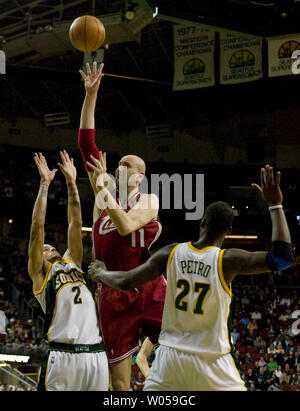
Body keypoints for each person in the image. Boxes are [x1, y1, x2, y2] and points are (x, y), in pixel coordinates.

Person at [88, 164, 293, 391]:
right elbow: (282, 258)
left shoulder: (171, 252)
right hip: (213, 362)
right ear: (228, 232)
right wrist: (275, 204)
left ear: (202, 222)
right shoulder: (228, 260)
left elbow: (126, 281)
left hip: (170, 361)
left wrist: (101, 273)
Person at [77, 62, 166, 391]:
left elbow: (127, 225)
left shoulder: (149, 200)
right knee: (119, 383)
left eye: (127, 164)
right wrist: (91, 95)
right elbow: (87, 145)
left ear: (140, 176)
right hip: (113, 290)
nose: (119, 167)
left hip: (149, 284)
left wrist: (102, 188)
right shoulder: (103, 198)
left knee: (177, 351)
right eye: (118, 164)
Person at [28, 151, 109, 391]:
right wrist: (45, 185)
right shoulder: (41, 277)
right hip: (63, 356)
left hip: (95, 353)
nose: (49, 247)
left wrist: (72, 182)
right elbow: (37, 227)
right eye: (44, 249)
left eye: (52, 246)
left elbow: (75, 220)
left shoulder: (72, 261)